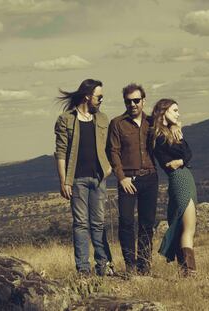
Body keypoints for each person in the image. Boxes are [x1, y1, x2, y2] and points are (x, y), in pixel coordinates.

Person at [54, 78, 114, 277]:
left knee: (98, 223)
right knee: (80, 224)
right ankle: (83, 270)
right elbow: (61, 152)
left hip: (99, 178)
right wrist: (64, 181)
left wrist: (109, 168)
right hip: (77, 179)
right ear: (87, 96)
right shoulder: (66, 120)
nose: (101, 100)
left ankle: (103, 267)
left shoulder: (103, 119)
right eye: (99, 96)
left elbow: (109, 147)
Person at [107, 83, 158, 275]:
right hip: (128, 180)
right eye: (128, 101)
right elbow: (113, 152)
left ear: (143, 101)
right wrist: (121, 178)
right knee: (126, 222)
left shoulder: (152, 123)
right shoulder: (117, 124)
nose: (133, 104)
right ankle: (130, 266)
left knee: (147, 224)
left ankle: (144, 266)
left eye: (137, 100)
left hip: (150, 178)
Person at [151, 98, 197, 277]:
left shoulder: (170, 133)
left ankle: (186, 270)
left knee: (183, 226)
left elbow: (186, 155)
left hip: (184, 178)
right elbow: (182, 155)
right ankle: (189, 270)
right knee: (188, 228)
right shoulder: (160, 137)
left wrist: (182, 159)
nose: (178, 114)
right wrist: (179, 135)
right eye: (175, 110)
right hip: (180, 180)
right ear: (164, 112)